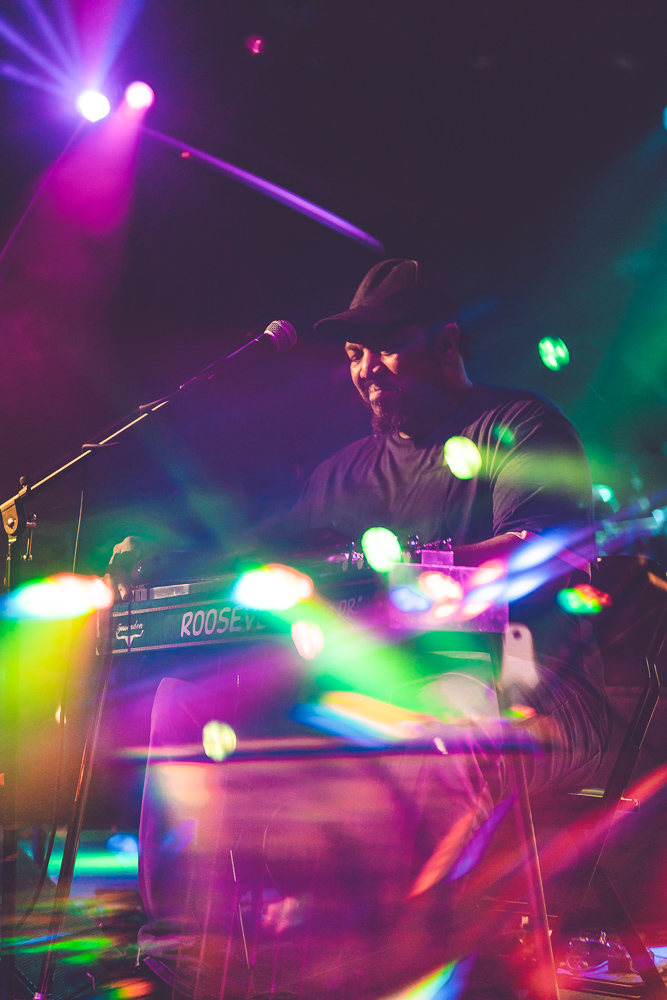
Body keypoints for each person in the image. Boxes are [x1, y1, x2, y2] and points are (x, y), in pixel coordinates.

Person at [134, 259, 612, 1000]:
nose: (365, 370)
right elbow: (256, 567)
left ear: (447, 344)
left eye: (386, 346)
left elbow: (544, 553)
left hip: (535, 685)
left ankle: (406, 967)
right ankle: (192, 951)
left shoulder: (518, 426)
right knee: (183, 700)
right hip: (377, 691)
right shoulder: (341, 475)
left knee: (428, 714)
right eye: (355, 353)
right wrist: (167, 566)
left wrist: (416, 568)